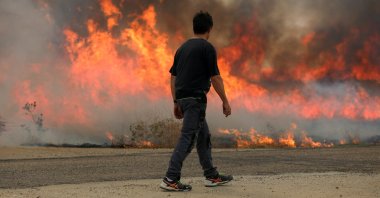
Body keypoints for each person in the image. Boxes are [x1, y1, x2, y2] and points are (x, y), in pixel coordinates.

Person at [160, 11, 233, 192]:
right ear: (209, 29)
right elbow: (215, 78)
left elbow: (173, 77)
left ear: (194, 27)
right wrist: (225, 101)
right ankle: (170, 178)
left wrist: (176, 101)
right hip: (195, 100)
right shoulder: (206, 48)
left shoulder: (182, 48)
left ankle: (211, 175)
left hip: (184, 98)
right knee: (188, 137)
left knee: (203, 136)